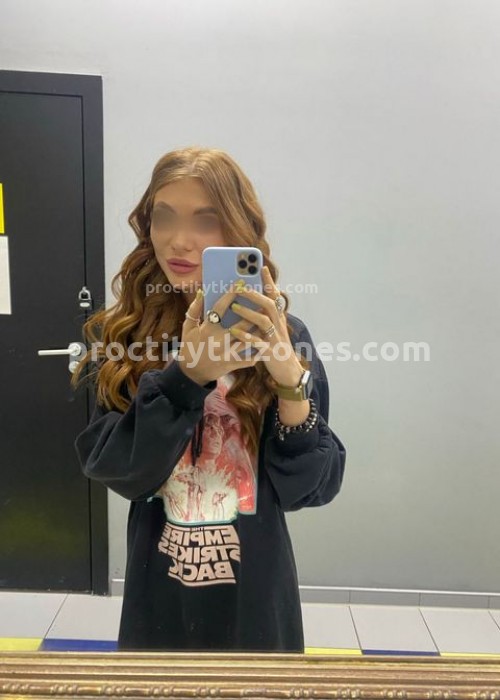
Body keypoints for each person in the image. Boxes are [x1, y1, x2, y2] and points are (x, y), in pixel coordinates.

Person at [72, 145, 346, 653]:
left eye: (206, 220)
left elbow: (312, 487)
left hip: (257, 599)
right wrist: (188, 375)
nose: (179, 240)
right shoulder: (124, 336)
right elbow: (116, 469)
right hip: (158, 594)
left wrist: (290, 380)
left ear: (238, 230)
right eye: (163, 216)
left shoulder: (284, 336)